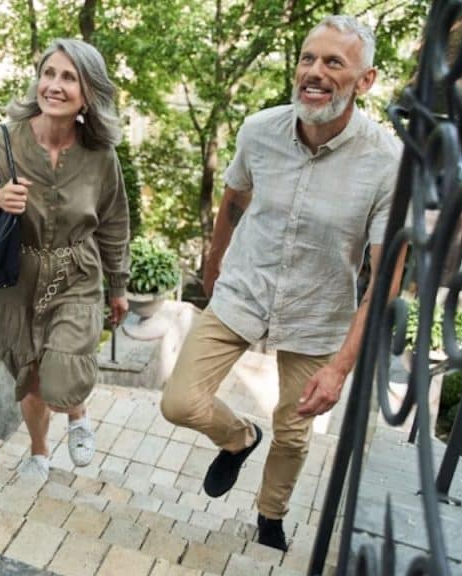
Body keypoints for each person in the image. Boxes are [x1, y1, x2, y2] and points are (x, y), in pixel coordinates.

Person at [160, 15, 401, 552]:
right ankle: (240, 438)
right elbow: (234, 197)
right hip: (244, 289)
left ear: (365, 81)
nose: (313, 73)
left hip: (319, 314)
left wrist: (341, 367)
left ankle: (270, 516)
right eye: (308, 59)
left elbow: (387, 275)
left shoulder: (388, 164)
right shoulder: (259, 130)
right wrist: (214, 260)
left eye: (333, 62)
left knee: (294, 434)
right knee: (179, 402)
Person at [0, 39, 131, 482]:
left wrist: (119, 285)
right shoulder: (2, 141)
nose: (54, 85)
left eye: (69, 77)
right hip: (16, 277)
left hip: (76, 273)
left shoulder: (101, 157)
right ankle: (38, 452)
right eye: (48, 73)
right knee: (29, 375)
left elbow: (113, 223)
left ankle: (78, 414)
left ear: (87, 93)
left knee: (63, 369)